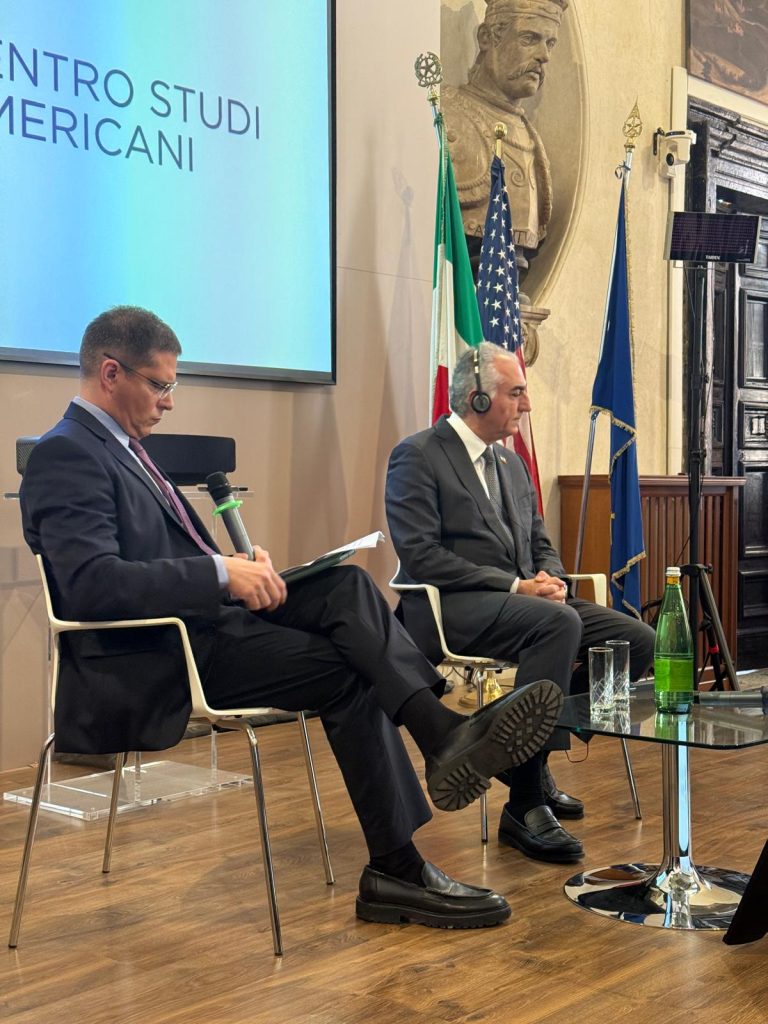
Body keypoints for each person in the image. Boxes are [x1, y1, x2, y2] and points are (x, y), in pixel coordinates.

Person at [19, 307, 565, 931]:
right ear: (111, 373)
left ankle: (439, 740)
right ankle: (403, 849)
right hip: (163, 653)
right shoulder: (66, 455)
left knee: (347, 586)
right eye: (160, 385)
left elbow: (161, 561)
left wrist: (241, 569)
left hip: (209, 623)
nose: (170, 401)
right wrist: (221, 574)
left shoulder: (126, 449)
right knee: (353, 670)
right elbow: (91, 586)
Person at [385, 342, 656, 864]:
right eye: (516, 393)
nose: (526, 405)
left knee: (636, 640)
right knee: (556, 626)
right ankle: (526, 801)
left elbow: (539, 541)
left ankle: (521, 751)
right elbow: (420, 555)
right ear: (478, 397)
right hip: (453, 609)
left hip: (530, 605)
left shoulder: (511, 464)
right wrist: (515, 587)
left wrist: (551, 578)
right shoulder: (417, 455)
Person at [443, 0, 567, 275]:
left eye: (550, 43)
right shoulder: (447, 116)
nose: (544, 56)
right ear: (486, 38)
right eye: (529, 38)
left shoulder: (532, 141)